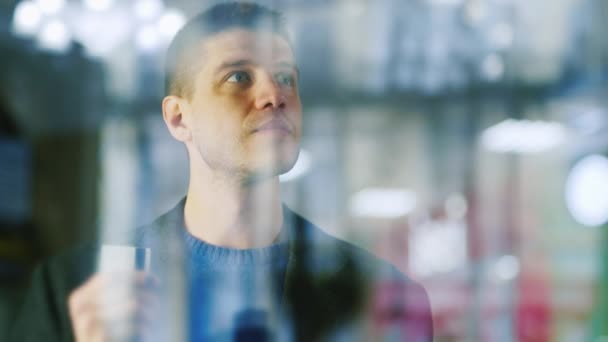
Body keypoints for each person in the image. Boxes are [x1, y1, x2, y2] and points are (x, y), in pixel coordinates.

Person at [10, 2, 433, 341]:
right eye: (238, 76)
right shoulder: (72, 294)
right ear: (178, 119)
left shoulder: (379, 296)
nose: (273, 95)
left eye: (285, 77)